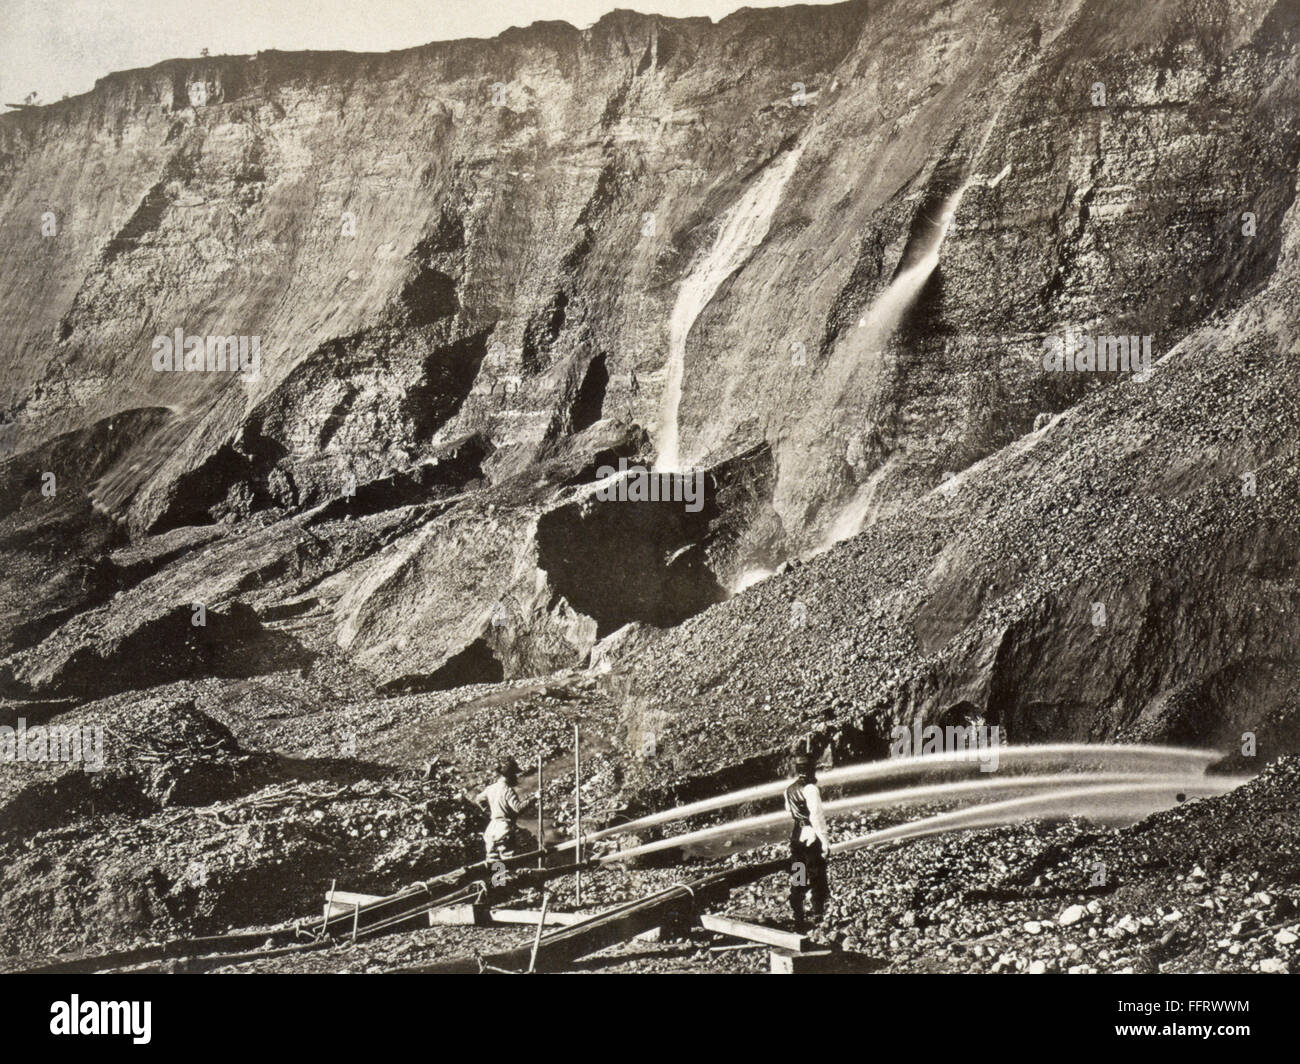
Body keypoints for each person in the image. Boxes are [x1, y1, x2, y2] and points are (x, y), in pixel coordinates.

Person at [785, 751, 831, 931]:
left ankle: (798, 917)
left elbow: (789, 810)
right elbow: (817, 817)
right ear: (811, 770)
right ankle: (818, 915)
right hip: (811, 836)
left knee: (798, 874)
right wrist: (825, 842)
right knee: (817, 874)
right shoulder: (811, 789)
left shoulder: (789, 789)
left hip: (796, 835)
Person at [474, 756, 527, 861]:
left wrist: (488, 811)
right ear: (509, 776)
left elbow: (478, 799)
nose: (516, 778)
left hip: (492, 829)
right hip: (504, 829)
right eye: (514, 775)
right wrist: (535, 798)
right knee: (508, 861)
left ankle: (497, 877)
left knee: (493, 862)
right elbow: (518, 808)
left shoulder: (491, 788)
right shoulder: (508, 791)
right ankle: (506, 876)